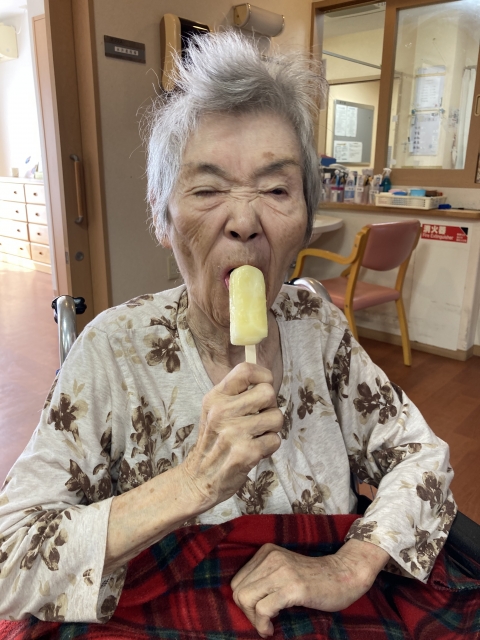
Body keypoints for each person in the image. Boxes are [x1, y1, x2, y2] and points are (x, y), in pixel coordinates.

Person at [0, 31, 455, 637]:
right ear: (162, 215)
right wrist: (192, 482)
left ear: (306, 218)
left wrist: (349, 565)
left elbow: (421, 455)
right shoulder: (113, 348)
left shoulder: (317, 325)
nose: (244, 221)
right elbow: (10, 560)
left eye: (276, 189)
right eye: (208, 189)